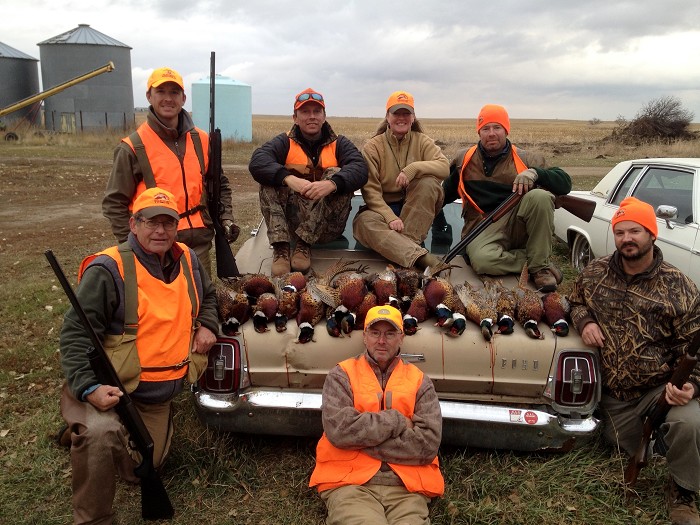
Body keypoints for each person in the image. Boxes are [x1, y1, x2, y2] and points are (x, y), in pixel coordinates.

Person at [59, 187, 219, 524]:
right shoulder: (109, 269)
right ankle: (94, 516)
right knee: (100, 435)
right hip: (112, 388)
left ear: (177, 226)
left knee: (140, 470)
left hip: (156, 398)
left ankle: (84, 429)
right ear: (133, 224)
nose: (160, 231)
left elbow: (209, 296)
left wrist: (207, 324)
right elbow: (75, 334)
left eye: (168, 223)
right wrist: (90, 388)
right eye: (150, 222)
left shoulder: (188, 259)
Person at [569, 197, 700, 525]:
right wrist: (585, 321)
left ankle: (683, 493)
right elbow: (574, 301)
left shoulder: (679, 287)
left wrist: (692, 387)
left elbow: (696, 349)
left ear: (652, 234)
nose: (627, 238)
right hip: (611, 395)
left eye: (635, 231)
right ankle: (653, 440)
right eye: (620, 232)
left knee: (690, 423)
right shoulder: (596, 271)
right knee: (616, 442)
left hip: (659, 390)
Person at [309, 305, 444, 525]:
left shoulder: (420, 381)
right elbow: (340, 431)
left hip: (406, 487)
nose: (381, 341)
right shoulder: (341, 374)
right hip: (350, 484)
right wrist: (397, 421)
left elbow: (428, 445)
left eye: (390, 334)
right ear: (364, 337)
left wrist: (360, 439)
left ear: (401, 338)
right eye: (375, 333)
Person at [103, 66, 239, 276]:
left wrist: (226, 219)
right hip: (156, 245)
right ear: (149, 96)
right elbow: (114, 203)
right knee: (162, 297)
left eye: (174, 92)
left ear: (183, 98)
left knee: (201, 295)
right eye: (161, 91)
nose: (168, 98)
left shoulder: (202, 140)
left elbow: (221, 185)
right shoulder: (132, 146)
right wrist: (132, 244)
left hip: (199, 243)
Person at [440, 104, 571, 291]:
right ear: (479, 132)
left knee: (540, 197)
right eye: (485, 128)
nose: (491, 133)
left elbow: (565, 183)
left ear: (506, 130)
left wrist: (536, 173)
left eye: (497, 127)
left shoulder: (526, 159)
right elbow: (443, 194)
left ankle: (539, 268)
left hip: (518, 224)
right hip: (482, 227)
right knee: (483, 261)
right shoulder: (464, 160)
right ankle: (537, 260)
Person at [248, 87, 368, 276]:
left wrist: (331, 184)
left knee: (337, 174)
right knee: (269, 178)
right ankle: (281, 247)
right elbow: (257, 162)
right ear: (295, 118)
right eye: (305, 111)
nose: (312, 116)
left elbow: (360, 169)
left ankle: (304, 244)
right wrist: (288, 178)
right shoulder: (284, 142)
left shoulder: (340, 144)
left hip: (327, 228)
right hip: (292, 225)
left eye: (317, 111)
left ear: (324, 116)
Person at [353, 91, 449, 269]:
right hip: (383, 211)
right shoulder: (373, 147)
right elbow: (371, 192)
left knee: (429, 183)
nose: (401, 118)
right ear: (387, 117)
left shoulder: (422, 141)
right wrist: (390, 217)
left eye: (406, 113)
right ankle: (422, 260)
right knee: (363, 223)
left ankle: (402, 251)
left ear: (413, 118)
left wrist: (414, 168)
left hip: (416, 211)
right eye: (396, 113)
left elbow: (444, 167)